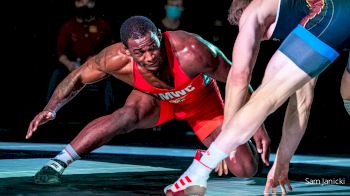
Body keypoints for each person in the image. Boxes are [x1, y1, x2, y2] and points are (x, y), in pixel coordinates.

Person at [26, 15, 271, 185]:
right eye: (139, 52)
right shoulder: (115, 59)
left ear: (160, 36)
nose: (149, 57)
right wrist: (51, 108)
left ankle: (210, 152)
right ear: (126, 50)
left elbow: (239, 78)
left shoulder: (192, 51)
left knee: (245, 170)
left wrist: (254, 123)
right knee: (124, 116)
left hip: (201, 103)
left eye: (153, 47)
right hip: (156, 99)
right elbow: (78, 76)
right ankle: (58, 162)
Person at [165, 0, 350, 195]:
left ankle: (196, 173)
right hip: (340, 19)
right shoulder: (304, 22)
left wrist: (224, 143)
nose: (263, 40)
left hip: (337, 12)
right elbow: (301, 104)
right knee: (347, 95)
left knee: (266, 94)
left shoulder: (253, 11)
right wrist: (282, 162)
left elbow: (239, 76)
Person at [46, 0, 115, 113]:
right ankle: (48, 112)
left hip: (97, 66)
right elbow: (60, 53)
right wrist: (69, 64)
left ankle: (109, 114)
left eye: (88, 2)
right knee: (56, 74)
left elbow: (112, 49)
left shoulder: (103, 25)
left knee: (110, 78)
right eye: (80, 2)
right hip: (72, 67)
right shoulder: (68, 26)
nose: (84, 5)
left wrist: (96, 59)